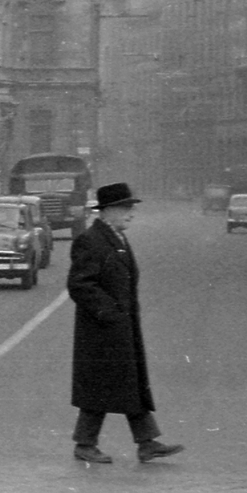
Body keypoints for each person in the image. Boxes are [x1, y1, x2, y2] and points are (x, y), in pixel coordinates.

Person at [66, 182, 183, 464]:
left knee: (129, 384)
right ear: (107, 211)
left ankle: (146, 443)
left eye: (132, 208)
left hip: (120, 328)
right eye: (125, 208)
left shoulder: (116, 238)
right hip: (101, 331)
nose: (131, 214)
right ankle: (85, 444)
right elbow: (79, 285)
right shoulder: (91, 240)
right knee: (100, 387)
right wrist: (110, 313)